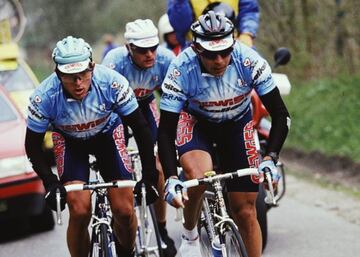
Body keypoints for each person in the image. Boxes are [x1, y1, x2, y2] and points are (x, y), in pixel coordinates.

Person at [158, 11, 290, 257]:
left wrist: (270, 157)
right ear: (197, 49)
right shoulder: (181, 69)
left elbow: (281, 115)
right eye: (210, 54)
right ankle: (190, 234)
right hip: (197, 123)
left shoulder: (249, 61)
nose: (218, 60)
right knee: (199, 177)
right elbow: (165, 131)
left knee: (246, 211)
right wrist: (170, 177)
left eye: (224, 52)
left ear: (234, 44)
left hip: (236, 124)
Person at [25, 36, 159, 257]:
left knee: (124, 211)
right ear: (58, 74)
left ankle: (127, 251)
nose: (78, 83)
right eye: (70, 77)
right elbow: (32, 146)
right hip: (70, 142)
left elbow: (141, 129)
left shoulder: (112, 82)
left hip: (107, 136)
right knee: (79, 211)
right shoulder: (44, 96)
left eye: (83, 75)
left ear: (92, 67)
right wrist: (50, 183)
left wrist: (150, 176)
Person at [102, 19, 177, 257]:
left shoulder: (166, 59)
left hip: (145, 105)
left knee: (159, 165)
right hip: (117, 113)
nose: (150, 55)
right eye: (142, 50)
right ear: (129, 48)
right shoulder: (113, 63)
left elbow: (174, 99)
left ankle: (162, 230)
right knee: (118, 165)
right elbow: (104, 107)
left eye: (153, 48)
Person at [167, 0, 259, 48]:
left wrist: (247, 34)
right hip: (197, 47)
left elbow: (249, 10)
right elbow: (180, 25)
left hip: (234, 41)